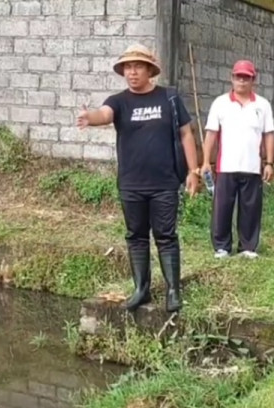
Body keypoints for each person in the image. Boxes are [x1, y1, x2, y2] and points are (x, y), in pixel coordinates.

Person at [76, 44, 200, 313]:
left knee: (166, 236)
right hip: (131, 184)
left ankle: (172, 292)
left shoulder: (168, 98)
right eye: (128, 67)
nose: (132, 72)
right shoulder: (119, 101)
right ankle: (141, 289)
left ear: (149, 70)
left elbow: (186, 134)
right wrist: (90, 117)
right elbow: (104, 114)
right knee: (136, 236)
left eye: (138, 66)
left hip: (165, 183)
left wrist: (193, 170)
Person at [201, 60, 274, 259]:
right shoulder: (220, 103)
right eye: (238, 77)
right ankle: (222, 247)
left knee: (251, 208)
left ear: (253, 80)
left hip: (252, 166)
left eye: (246, 77)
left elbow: (269, 134)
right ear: (232, 78)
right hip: (226, 166)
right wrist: (205, 162)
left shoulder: (262, 105)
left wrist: (269, 162)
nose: (242, 81)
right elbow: (210, 134)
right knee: (222, 208)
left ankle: (248, 247)